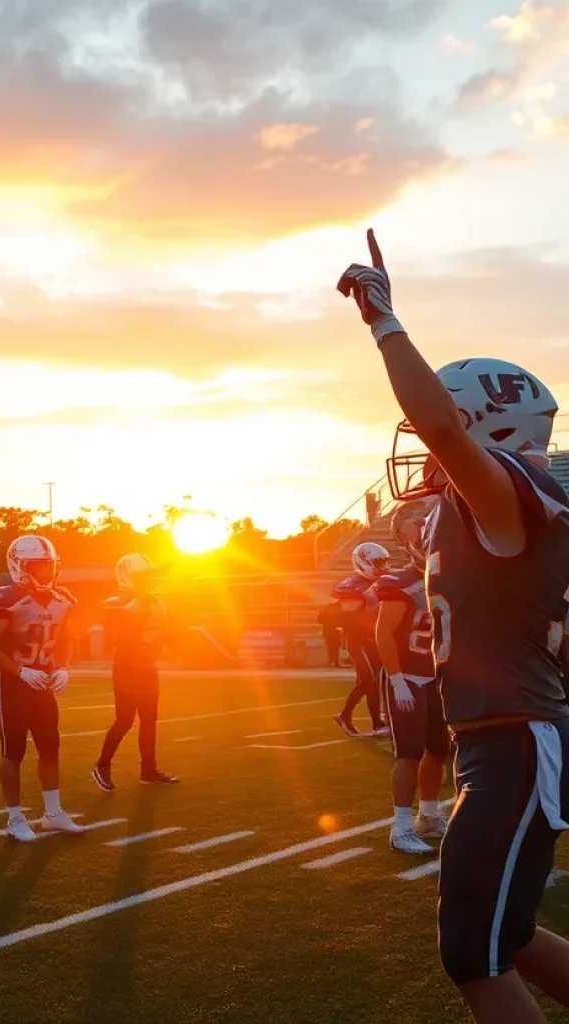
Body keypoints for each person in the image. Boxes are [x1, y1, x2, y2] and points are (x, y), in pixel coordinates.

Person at [340, 231, 569, 1023]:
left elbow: (439, 426)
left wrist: (382, 319)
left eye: (447, 434)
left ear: (485, 432)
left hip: (515, 739)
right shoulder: (489, 512)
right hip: (501, 738)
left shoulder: (509, 497)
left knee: (474, 953)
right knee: (506, 934)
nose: (426, 451)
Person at [0, 535, 83, 841]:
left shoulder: (63, 598)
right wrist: (20, 671)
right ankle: (14, 818)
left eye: (48, 566)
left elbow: (68, 638)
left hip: (44, 682)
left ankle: (52, 814)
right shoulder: (3, 598)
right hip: (13, 682)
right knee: (13, 750)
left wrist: (64, 666)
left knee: (50, 746)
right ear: (19, 567)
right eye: (37, 566)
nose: (45, 572)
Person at [374, 502, 449, 854]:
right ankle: (400, 827)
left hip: (437, 676)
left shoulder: (447, 576)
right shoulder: (399, 581)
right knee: (408, 752)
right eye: (416, 524)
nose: (424, 528)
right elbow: (384, 634)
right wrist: (397, 678)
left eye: (426, 521)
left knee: (438, 749)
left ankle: (429, 817)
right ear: (402, 537)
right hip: (408, 677)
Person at [92, 553, 178, 791]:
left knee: (150, 719)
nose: (147, 581)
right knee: (125, 720)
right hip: (127, 667)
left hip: (148, 666)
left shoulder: (151, 601)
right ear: (126, 576)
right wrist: (138, 613)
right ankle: (102, 766)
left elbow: (166, 634)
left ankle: (148, 770)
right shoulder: (117, 602)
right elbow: (115, 638)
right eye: (141, 576)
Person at [333, 542, 391, 737]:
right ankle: (344, 715)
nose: (382, 566)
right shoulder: (352, 583)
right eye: (377, 562)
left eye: (383, 562)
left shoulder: (380, 581)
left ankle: (377, 723)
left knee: (374, 681)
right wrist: (367, 595)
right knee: (368, 679)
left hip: (371, 637)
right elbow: (343, 597)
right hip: (356, 638)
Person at [317, 600, 344, 668]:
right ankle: (335, 662)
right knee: (336, 646)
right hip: (334, 629)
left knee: (331, 646)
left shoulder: (328, 608)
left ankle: (332, 661)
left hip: (329, 629)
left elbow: (319, 618)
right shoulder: (338, 608)